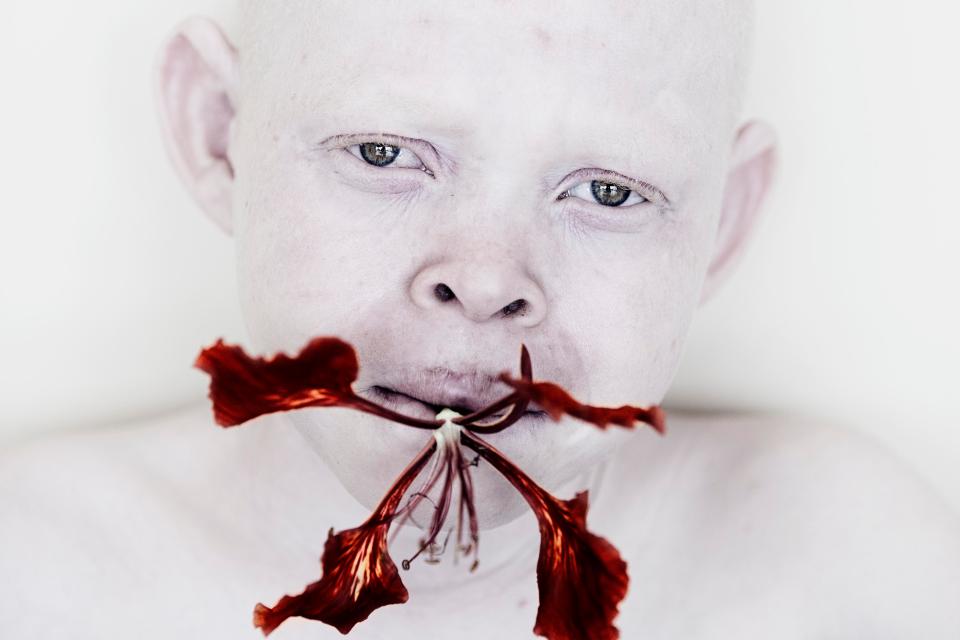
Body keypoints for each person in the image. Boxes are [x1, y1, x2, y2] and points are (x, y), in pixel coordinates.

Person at [2, 1, 958, 638]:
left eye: (611, 192)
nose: (488, 278)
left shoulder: (854, 567)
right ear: (220, 132)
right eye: (382, 152)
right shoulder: (34, 579)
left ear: (722, 225)